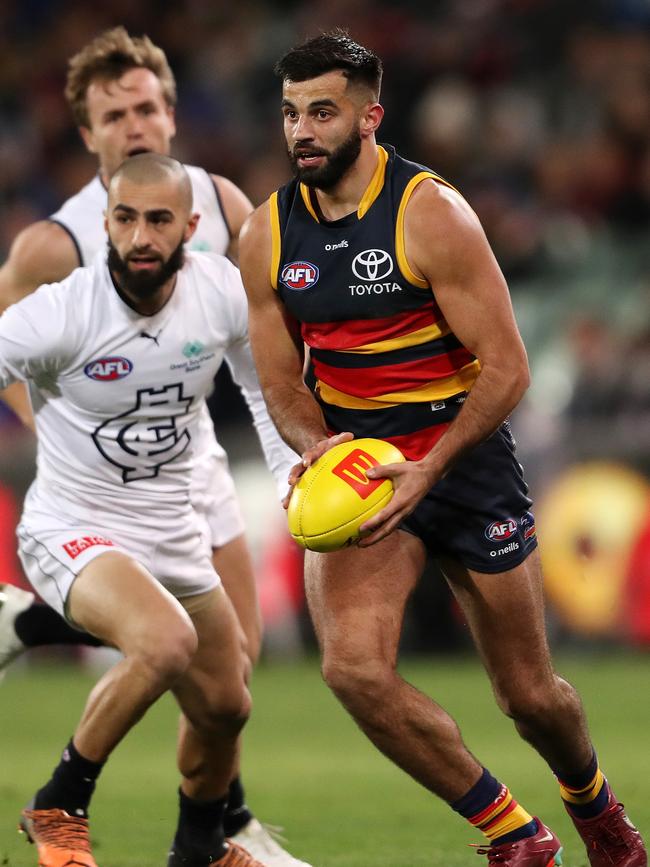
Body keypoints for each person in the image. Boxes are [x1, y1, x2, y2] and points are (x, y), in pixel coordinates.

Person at [239, 31, 647, 867]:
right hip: (364, 466)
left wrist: (431, 466)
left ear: (370, 116)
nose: (302, 131)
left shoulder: (431, 214)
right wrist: (319, 448)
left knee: (529, 696)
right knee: (352, 669)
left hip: (461, 459)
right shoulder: (266, 234)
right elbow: (281, 382)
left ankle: (594, 806)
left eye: (323, 111)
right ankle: (514, 835)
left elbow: (508, 368)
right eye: (290, 113)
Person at [0, 27, 310, 867]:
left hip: (184, 477)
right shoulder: (58, 266)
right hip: (83, 501)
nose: (134, 124)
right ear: (89, 138)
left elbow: (262, 369)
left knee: (228, 694)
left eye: (146, 107)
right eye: (115, 113)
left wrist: (293, 472)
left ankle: (205, 843)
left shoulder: (220, 245)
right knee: (163, 642)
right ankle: (61, 804)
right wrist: (65, 432)